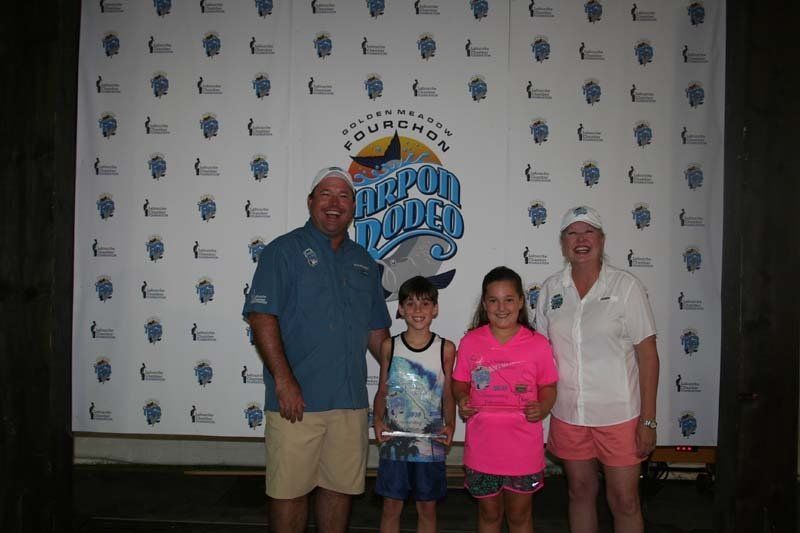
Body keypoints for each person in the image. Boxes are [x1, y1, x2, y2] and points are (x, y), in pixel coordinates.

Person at [243, 167, 391, 533]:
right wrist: (284, 381)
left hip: (350, 402)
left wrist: (391, 386)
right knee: (289, 493)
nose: (334, 203)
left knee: (339, 490)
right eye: (326, 194)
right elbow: (262, 318)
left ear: (354, 207)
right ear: (311, 202)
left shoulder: (364, 263)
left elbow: (377, 332)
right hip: (297, 402)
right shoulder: (282, 251)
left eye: (343, 196)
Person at [535, 206, 660, 533]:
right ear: (562, 243)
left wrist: (648, 420)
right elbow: (538, 352)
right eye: (572, 233)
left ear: (602, 240)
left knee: (625, 501)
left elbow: (648, 355)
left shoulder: (626, 287)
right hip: (569, 414)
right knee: (579, 492)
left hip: (619, 416)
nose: (580, 239)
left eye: (588, 231)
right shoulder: (550, 290)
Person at [453, 266, 558, 533]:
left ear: (521, 301)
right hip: (482, 448)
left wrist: (543, 406)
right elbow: (459, 381)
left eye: (509, 299)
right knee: (489, 515)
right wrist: (462, 397)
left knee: (520, 516)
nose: (501, 307)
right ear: (484, 304)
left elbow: (548, 385)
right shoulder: (470, 342)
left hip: (523, 450)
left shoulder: (538, 344)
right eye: (493, 300)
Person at [373, 276, 456, 533]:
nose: (417, 311)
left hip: (430, 443)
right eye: (410, 304)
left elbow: (448, 393)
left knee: (427, 508)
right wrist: (377, 420)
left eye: (425, 304)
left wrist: (451, 424)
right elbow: (382, 389)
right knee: (391, 506)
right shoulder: (390, 346)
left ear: (435, 309)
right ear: (400, 309)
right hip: (395, 442)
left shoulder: (446, 348)